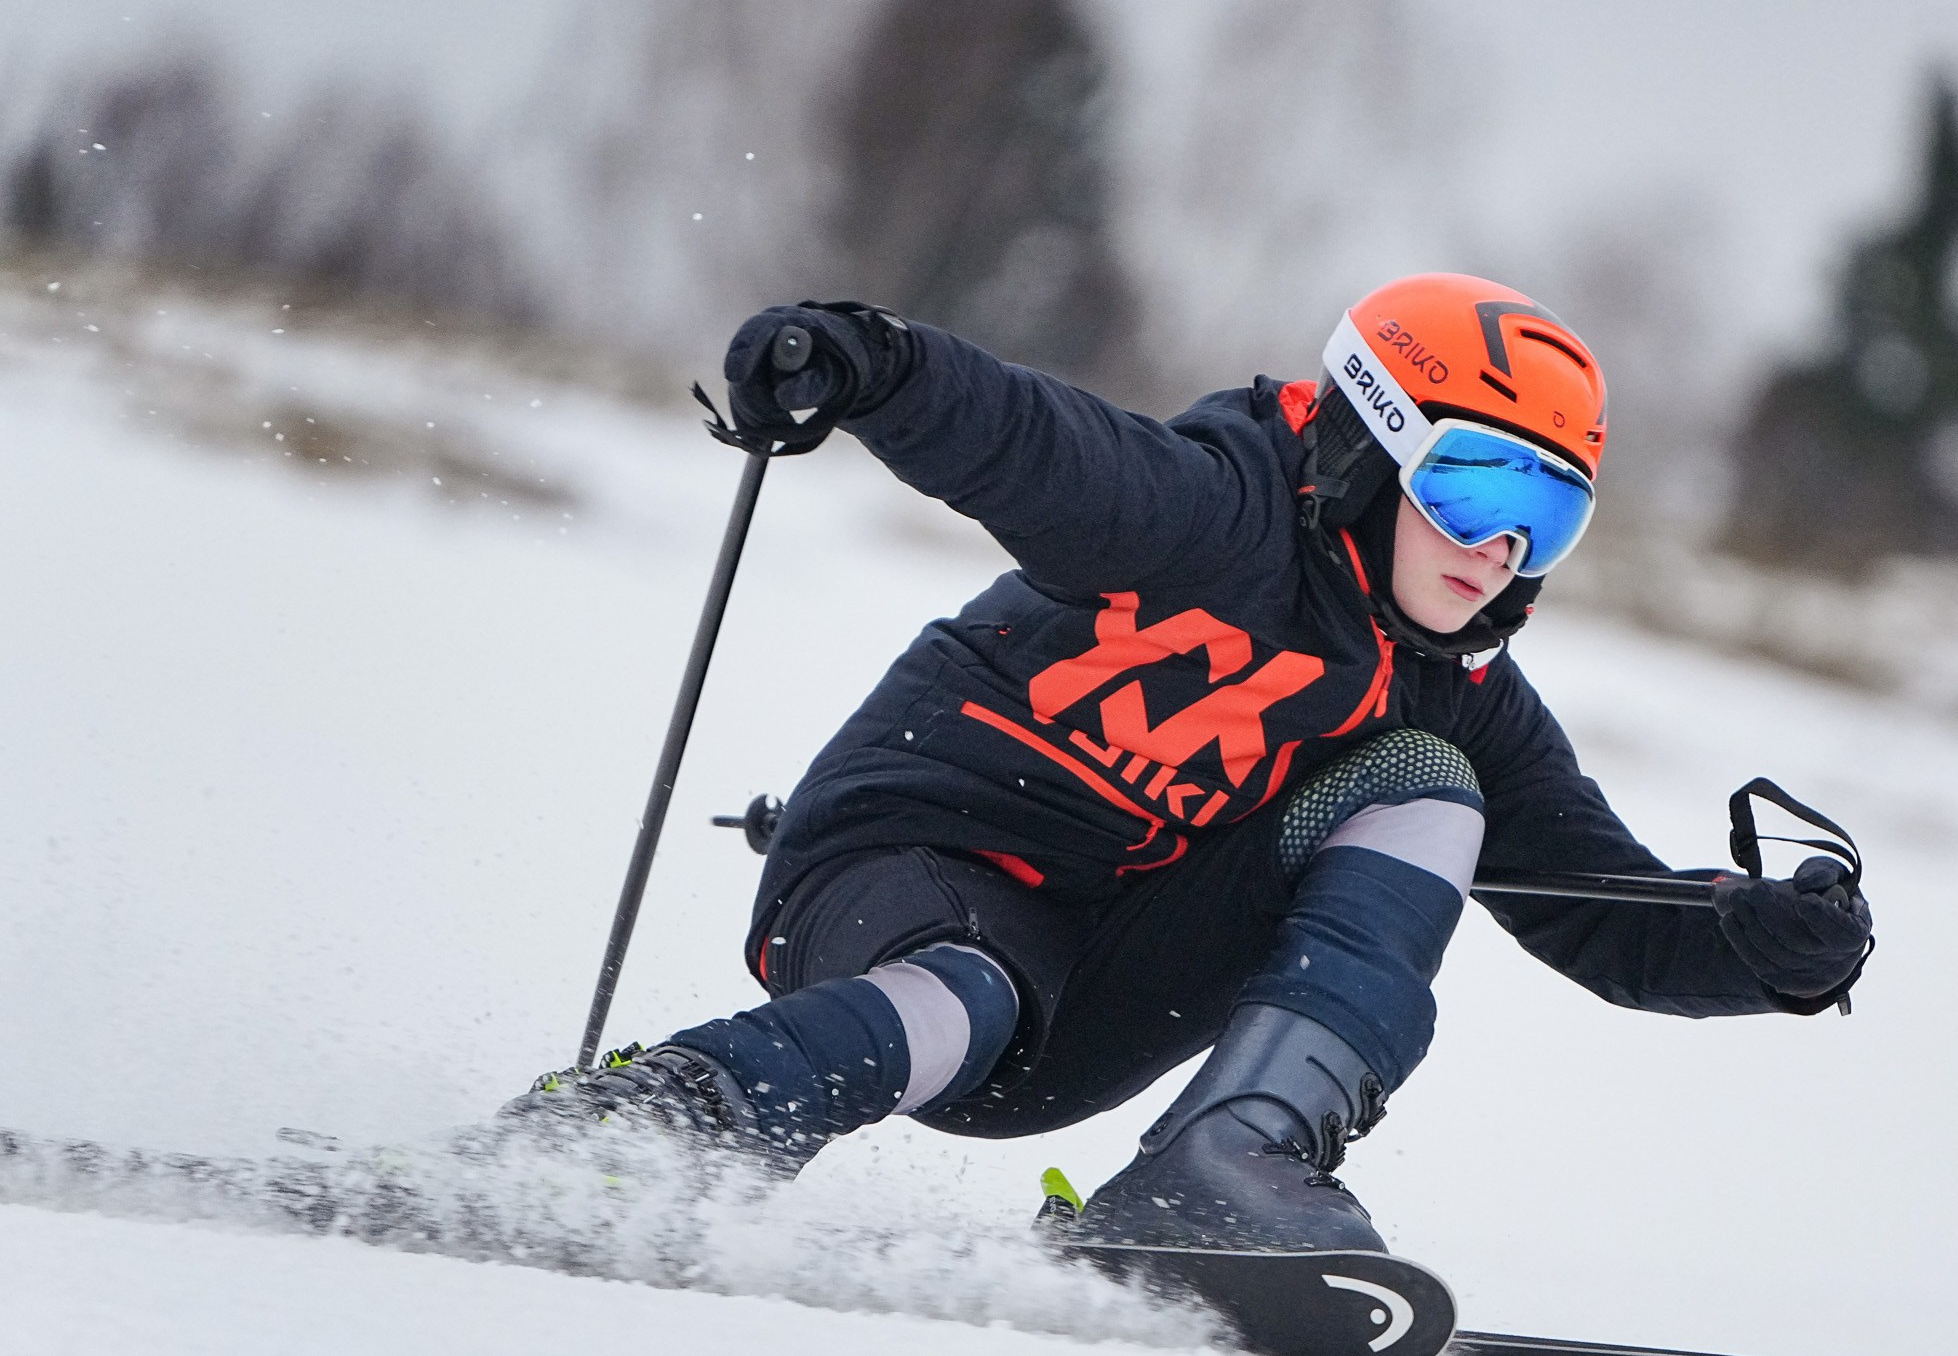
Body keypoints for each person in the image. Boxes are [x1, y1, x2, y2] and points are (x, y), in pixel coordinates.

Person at [508, 273, 1872, 1251]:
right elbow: (1037, 446)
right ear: (1371, 448)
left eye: (1546, 516)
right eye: (1474, 490)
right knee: (963, 994)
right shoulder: (1217, 513)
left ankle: (1223, 1172)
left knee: (1426, 784)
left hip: (1094, 993)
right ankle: (647, 1122)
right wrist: (876, 365)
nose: (1499, 550)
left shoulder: (1461, 698)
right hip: (900, 872)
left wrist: (1764, 949)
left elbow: (1600, 907)